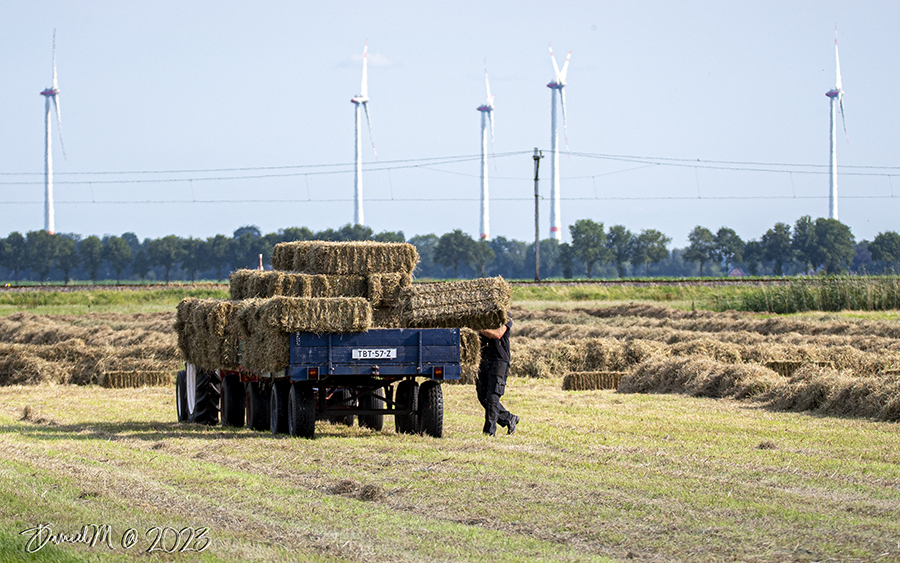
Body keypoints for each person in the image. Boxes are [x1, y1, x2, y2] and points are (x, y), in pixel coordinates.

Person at [476, 316, 519, 436]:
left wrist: (478, 329)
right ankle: (509, 418)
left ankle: (489, 432)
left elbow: (498, 334)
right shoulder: (483, 316)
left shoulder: (506, 317)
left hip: (499, 360)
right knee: (482, 396)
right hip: (484, 360)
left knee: (492, 397)